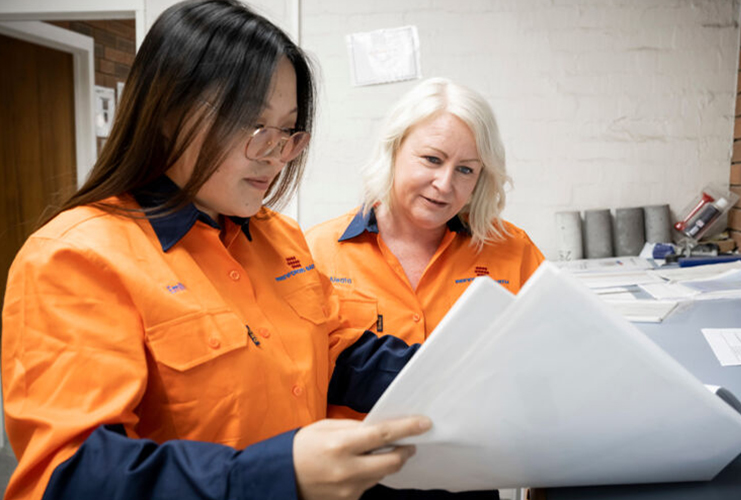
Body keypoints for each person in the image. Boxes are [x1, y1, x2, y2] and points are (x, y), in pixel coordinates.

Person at [1, 2, 432, 499]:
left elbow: (335, 352)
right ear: (167, 113)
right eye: (253, 125)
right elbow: (72, 475)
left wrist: (454, 369)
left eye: (288, 131)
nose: (274, 155)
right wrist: (275, 474)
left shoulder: (279, 236)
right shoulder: (75, 257)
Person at [306, 78, 546, 421]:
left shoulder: (513, 251)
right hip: (357, 468)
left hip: (476, 467)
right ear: (394, 150)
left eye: (465, 169)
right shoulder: (317, 251)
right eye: (432, 159)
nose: (445, 184)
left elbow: (548, 361)